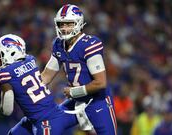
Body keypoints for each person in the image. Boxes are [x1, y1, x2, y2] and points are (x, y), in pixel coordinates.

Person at [41, 4, 117, 135]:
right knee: (48, 125)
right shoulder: (58, 44)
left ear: (78, 23)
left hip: (98, 102)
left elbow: (101, 83)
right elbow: (46, 76)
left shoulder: (89, 44)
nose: (64, 28)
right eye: (61, 24)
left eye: (69, 24)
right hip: (76, 101)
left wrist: (74, 92)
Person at [0, 34, 77, 135]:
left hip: (45, 120)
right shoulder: (30, 60)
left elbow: (7, 110)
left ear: (11, 52)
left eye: (0, 54)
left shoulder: (5, 75)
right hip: (38, 116)